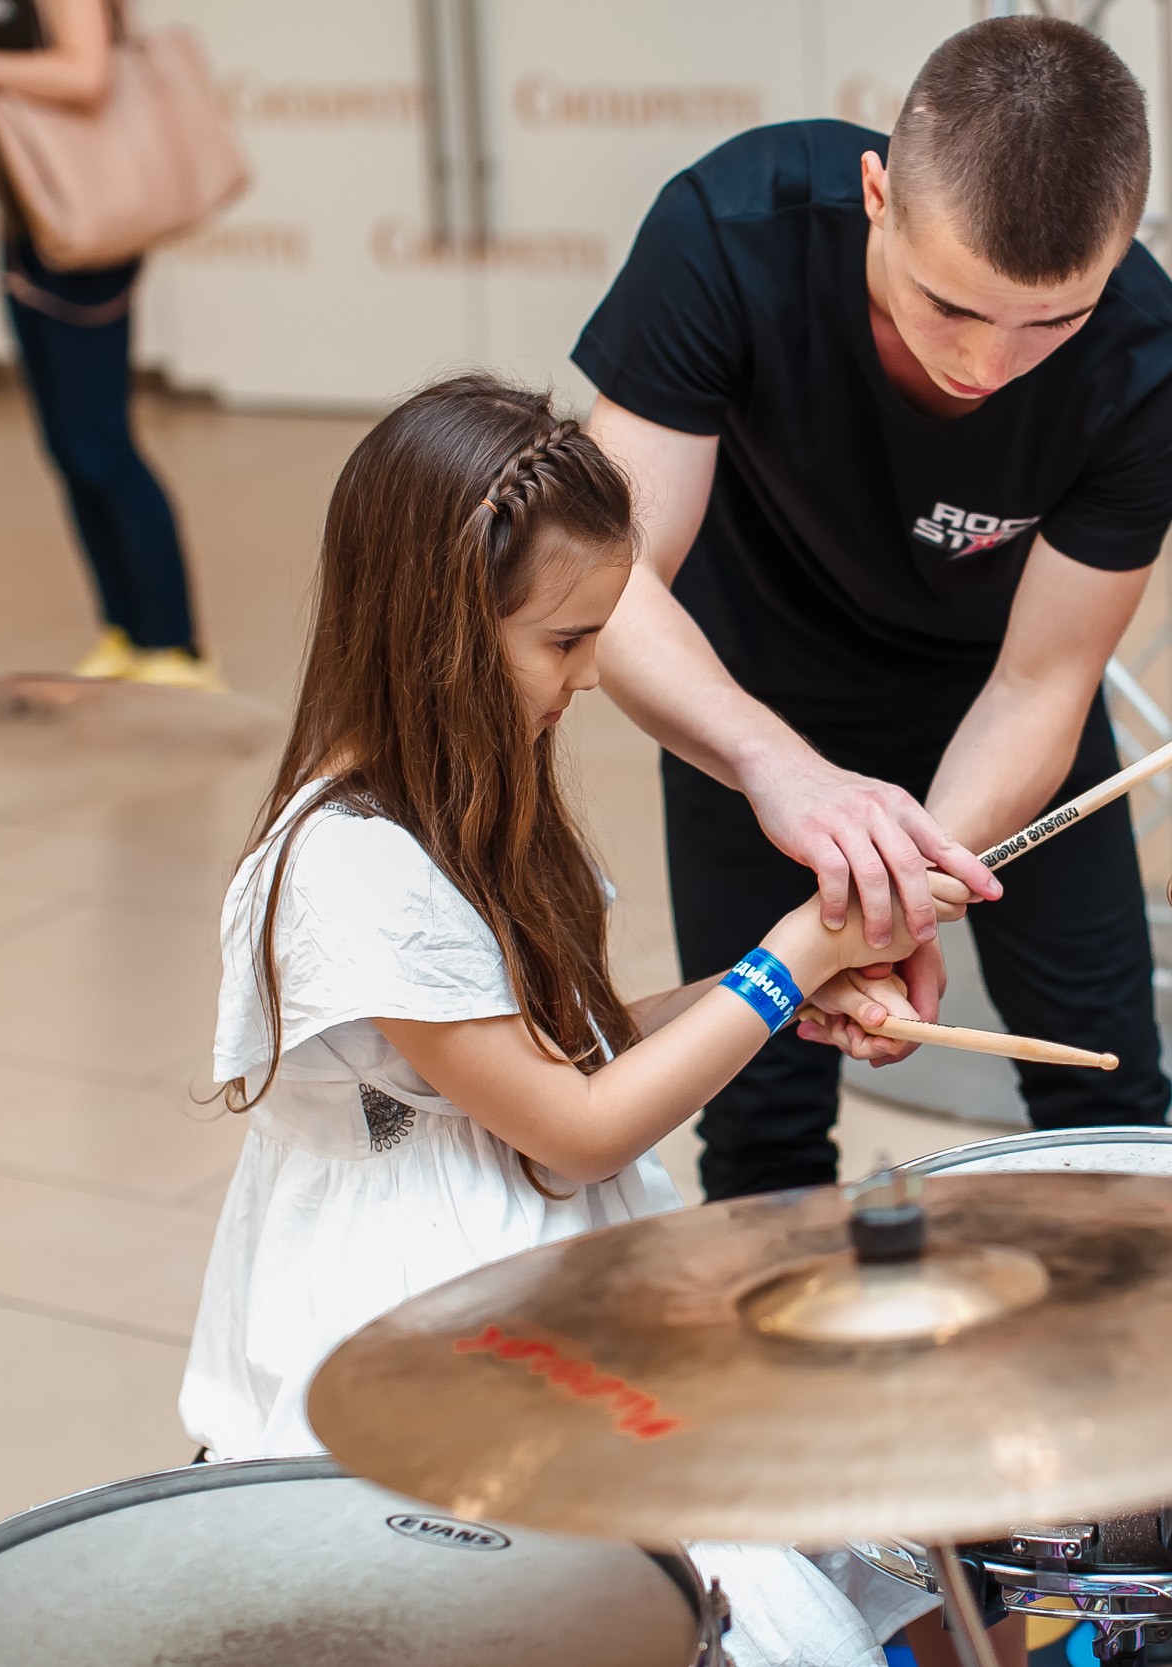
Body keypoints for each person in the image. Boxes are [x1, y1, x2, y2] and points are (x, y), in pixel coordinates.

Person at [179, 375, 952, 1665]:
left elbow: (554, 1051)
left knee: (886, 1503)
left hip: (530, 1261)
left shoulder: (466, 786)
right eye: (565, 641)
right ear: (438, 627)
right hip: (424, 1322)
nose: (590, 675)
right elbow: (575, 1127)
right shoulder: (348, 861)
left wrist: (761, 999)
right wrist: (789, 954)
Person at [577, 17, 1172, 1201]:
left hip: (993, 708)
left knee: (1108, 1098)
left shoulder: (1151, 366)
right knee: (761, 1119)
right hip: (744, 693)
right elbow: (610, 584)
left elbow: (1042, 680)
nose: (988, 365)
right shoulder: (730, 232)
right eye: (950, 307)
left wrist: (902, 893)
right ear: (877, 195)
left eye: (1052, 322)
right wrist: (777, 767)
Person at [0, 0, 220, 689]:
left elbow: (87, 75)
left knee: (102, 446)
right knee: (67, 448)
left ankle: (177, 648)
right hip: (31, 225)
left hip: (82, 222)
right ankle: (128, 632)